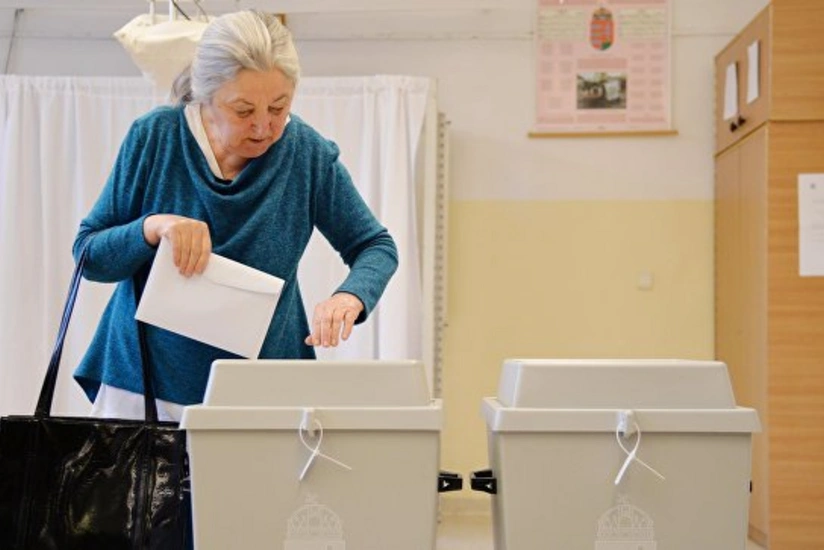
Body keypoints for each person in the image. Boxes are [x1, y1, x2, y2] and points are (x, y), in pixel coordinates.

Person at [72, 10, 398, 422]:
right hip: (141, 385)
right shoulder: (155, 138)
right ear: (206, 96)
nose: (264, 127)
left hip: (263, 388)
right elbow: (90, 255)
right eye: (244, 111)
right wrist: (152, 228)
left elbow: (375, 246)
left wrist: (349, 296)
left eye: (279, 107)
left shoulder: (307, 155)